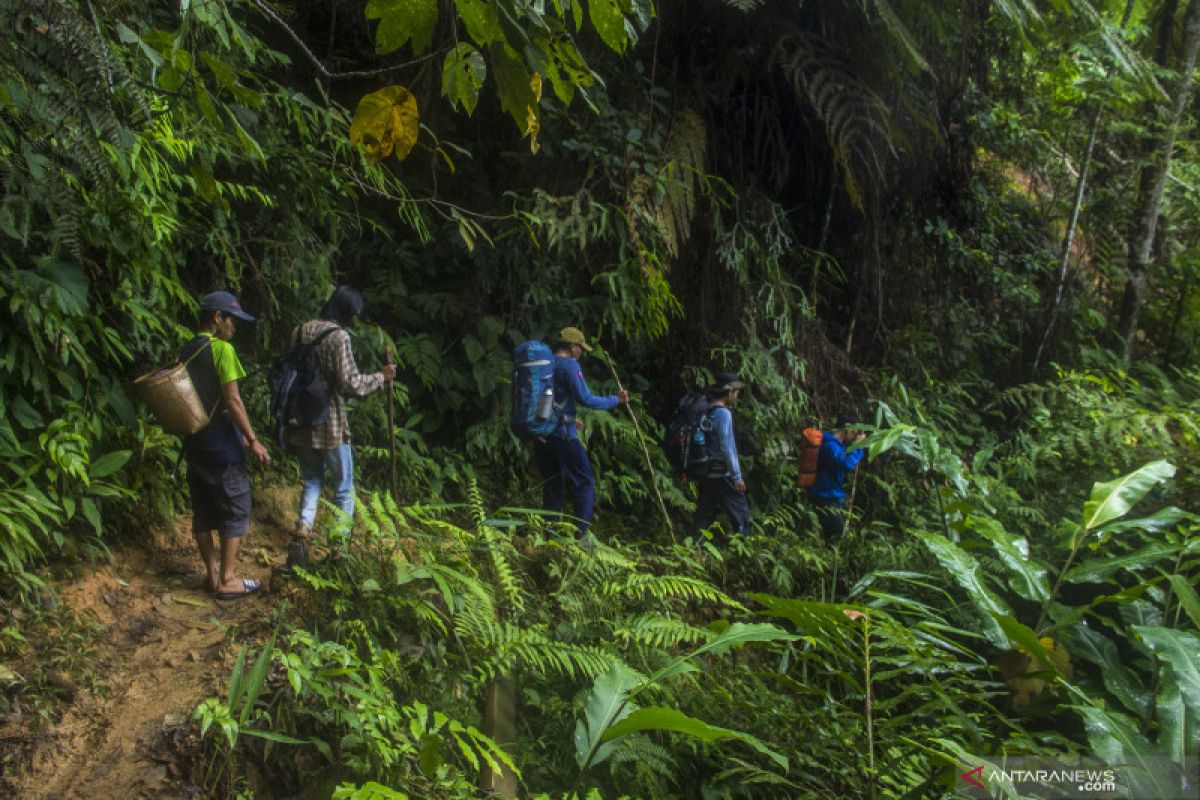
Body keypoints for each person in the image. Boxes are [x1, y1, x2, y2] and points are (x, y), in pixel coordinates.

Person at [286, 286, 396, 563]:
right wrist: (381, 378)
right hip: (330, 422)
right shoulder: (339, 337)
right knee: (344, 486)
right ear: (347, 312)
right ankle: (339, 548)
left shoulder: (300, 331)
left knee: (312, 479)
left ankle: (302, 529)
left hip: (299, 419)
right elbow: (350, 383)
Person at [182, 291, 271, 599]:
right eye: (231, 319)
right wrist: (253, 440)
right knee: (235, 508)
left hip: (194, 443)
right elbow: (232, 400)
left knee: (204, 512)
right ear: (217, 319)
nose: (234, 326)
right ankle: (228, 578)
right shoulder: (222, 350)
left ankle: (211, 575)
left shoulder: (187, 349)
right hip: (222, 445)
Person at [532, 326, 629, 544]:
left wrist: (566, 417)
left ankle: (550, 535)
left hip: (542, 435)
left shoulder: (545, 363)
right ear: (572, 347)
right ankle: (581, 537)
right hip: (563, 436)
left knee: (553, 483)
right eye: (580, 348)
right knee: (585, 481)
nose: (582, 353)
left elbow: (548, 399)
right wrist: (616, 400)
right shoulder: (569, 365)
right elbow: (586, 399)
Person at [692, 373, 751, 539]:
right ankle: (744, 549)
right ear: (730, 391)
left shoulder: (707, 409)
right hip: (721, 471)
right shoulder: (724, 414)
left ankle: (696, 548)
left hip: (705, 469)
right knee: (740, 512)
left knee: (704, 512)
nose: (738, 394)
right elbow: (726, 446)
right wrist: (737, 476)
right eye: (737, 391)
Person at [807, 413, 867, 539]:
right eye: (855, 433)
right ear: (848, 429)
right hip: (824, 498)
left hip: (834, 496)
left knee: (836, 537)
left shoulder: (838, 446)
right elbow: (847, 463)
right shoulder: (829, 446)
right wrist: (858, 446)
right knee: (837, 537)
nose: (855, 436)